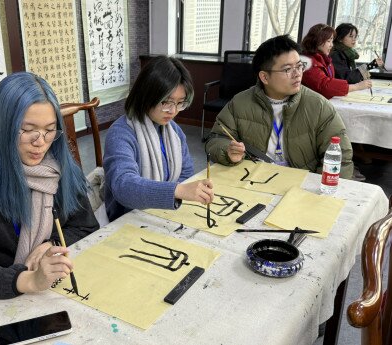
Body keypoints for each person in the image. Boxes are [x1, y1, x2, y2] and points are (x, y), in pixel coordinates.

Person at [0, 72, 100, 299]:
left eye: (49, 129)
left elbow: (86, 227)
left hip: (55, 288)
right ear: (1, 125)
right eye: (27, 129)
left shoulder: (58, 167)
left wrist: (50, 244)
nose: (40, 142)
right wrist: (28, 279)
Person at [205, 34, 353, 179]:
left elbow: (340, 157)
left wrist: (317, 188)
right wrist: (227, 152)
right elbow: (217, 138)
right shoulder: (240, 103)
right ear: (264, 77)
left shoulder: (319, 106)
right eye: (288, 69)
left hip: (300, 184)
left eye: (299, 66)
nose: (297, 74)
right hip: (254, 180)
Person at [103, 55, 214, 222]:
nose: (173, 111)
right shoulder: (121, 133)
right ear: (146, 95)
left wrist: (187, 190)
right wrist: (177, 191)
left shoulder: (174, 132)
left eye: (180, 103)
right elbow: (123, 185)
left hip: (165, 214)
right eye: (165, 102)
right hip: (127, 218)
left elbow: (186, 174)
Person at [301, 23, 371, 99]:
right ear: (317, 41)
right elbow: (325, 85)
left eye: (332, 41)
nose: (331, 45)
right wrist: (356, 87)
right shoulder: (309, 62)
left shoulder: (326, 59)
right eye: (328, 41)